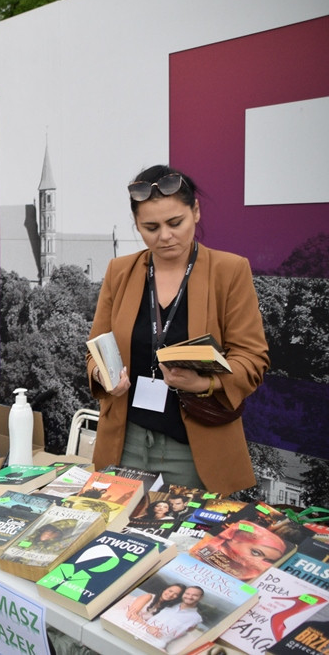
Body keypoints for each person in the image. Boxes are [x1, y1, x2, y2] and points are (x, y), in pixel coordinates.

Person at [86, 165, 269, 494]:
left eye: (175, 223)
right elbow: (96, 350)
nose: (165, 236)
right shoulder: (119, 271)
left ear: (195, 212)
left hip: (195, 452)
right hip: (124, 443)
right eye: (151, 227)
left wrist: (206, 381)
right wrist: (104, 376)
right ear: (137, 226)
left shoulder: (230, 271)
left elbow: (252, 358)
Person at [192, 520, 287, 581]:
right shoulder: (199, 548)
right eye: (255, 552)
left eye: (268, 560)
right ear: (234, 537)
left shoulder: (250, 576)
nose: (257, 562)